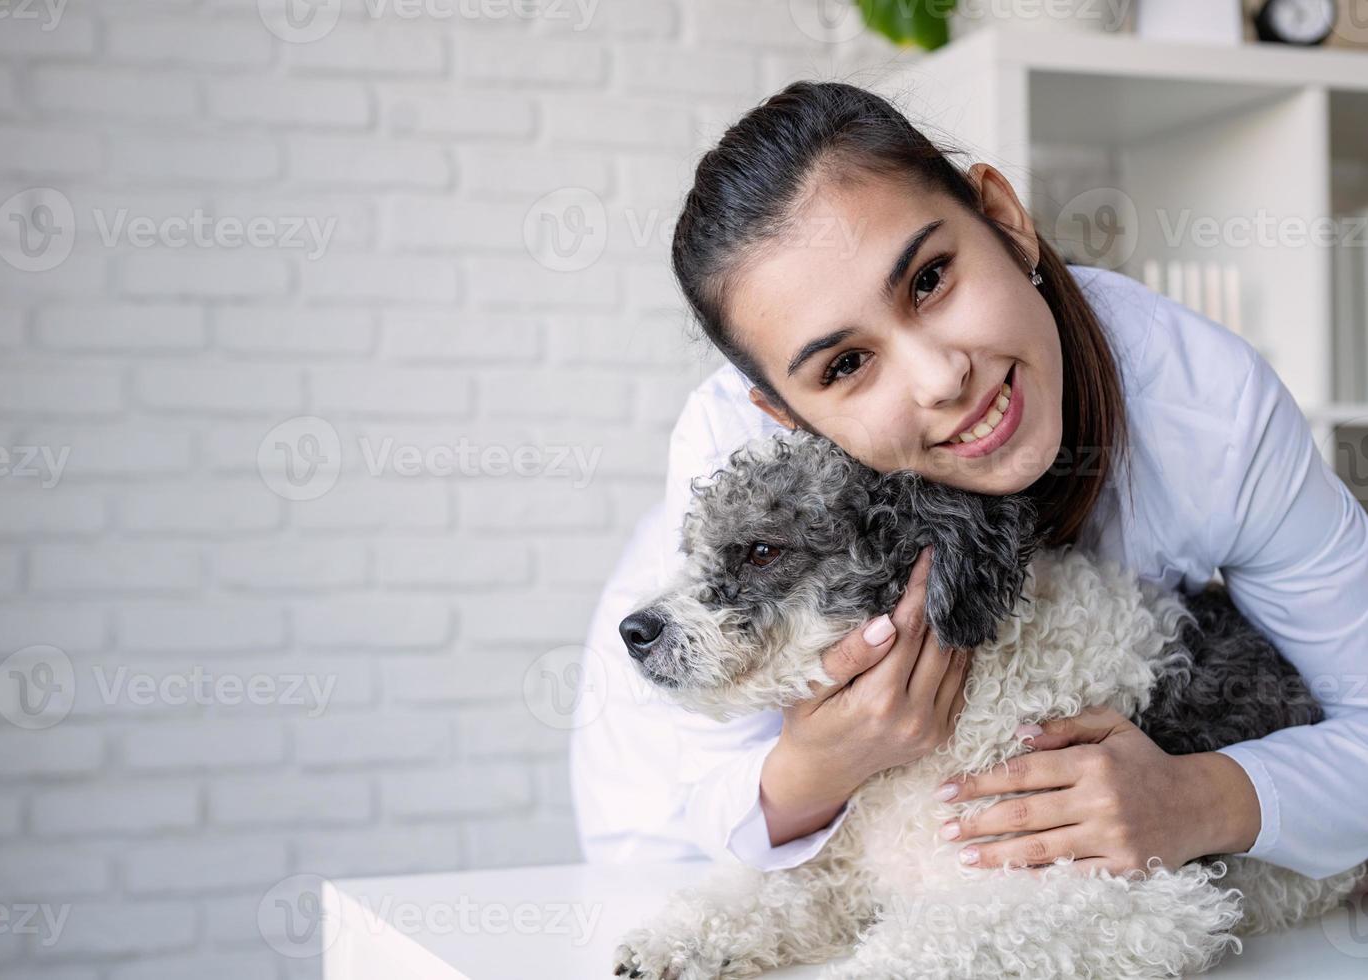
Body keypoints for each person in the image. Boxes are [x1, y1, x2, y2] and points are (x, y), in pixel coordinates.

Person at [569, 81, 1368, 882]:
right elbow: (699, 797)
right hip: (679, 848)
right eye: (846, 365)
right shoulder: (727, 446)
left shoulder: (1209, 408)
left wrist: (1197, 800)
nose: (941, 378)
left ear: (1003, 217)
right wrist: (821, 761)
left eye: (928, 280)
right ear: (783, 414)